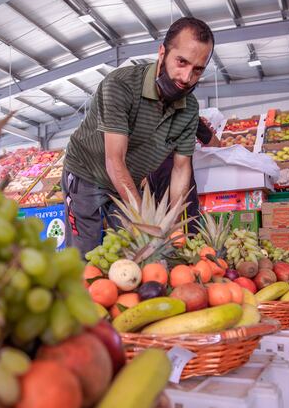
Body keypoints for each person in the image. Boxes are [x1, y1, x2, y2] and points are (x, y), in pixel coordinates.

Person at [61, 17, 215, 256]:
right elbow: (114, 160)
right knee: (85, 250)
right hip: (86, 173)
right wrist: (144, 218)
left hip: (128, 179)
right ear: (162, 52)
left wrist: (173, 221)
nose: (186, 77)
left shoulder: (190, 109)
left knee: (139, 251)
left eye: (197, 70)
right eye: (181, 62)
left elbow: (180, 169)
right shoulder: (120, 86)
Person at [147, 116, 220, 229]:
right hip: (175, 174)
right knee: (184, 227)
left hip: (150, 173)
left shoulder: (143, 109)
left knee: (156, 223)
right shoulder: (187, 110)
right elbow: (214, 143)